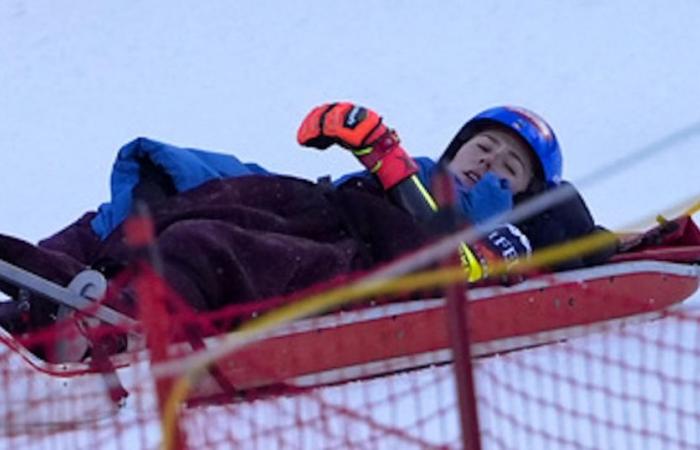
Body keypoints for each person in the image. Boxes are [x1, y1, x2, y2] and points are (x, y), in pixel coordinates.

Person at [0, 102, 609, 340]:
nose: (491, 164)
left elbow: (447, 263)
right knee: (157, 205)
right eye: (485, 146)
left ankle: (113, 328)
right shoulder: (420, 171)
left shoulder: (497, 223)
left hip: (357, 259)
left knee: (205, 245)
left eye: (512, 166)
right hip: (318, 207)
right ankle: (33, 290)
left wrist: (384, 156)